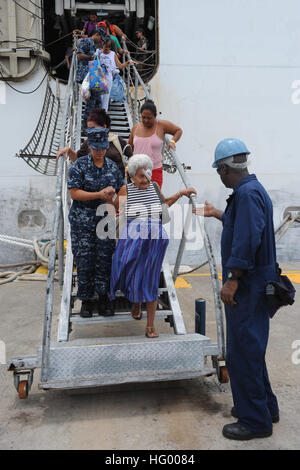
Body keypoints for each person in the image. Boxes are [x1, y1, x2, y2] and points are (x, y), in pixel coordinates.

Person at [193, 138, 279, 441]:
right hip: (257, 282)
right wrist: (218, 213)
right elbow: (243, 225)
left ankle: (255, 421)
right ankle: (265, 407)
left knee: (242, 351)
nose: (220, 176)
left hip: (248, 285)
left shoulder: (246, 194)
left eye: (220, 171)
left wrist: (233, 278)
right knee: (251, 348)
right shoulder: (253, 192)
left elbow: (247, 239)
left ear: (226, 168)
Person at [110, 154, 196, 338]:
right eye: (141, 176)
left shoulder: (154, 187)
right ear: (132, 176)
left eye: (147, 175)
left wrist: (180, 193)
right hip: (133, 240)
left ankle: (150, 325)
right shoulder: (126, 190)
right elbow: (115, 209)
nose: (146, 179)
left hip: (154, 242)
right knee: (129, 274)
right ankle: (135, 301)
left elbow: (164, 205)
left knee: (150, 280)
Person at [67, 126, 124, 318]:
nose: (99, 152)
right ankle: (86, 300)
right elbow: (74, 193)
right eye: (96, 148)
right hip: (83, 222)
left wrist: (115, 204)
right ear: (89, 146)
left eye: (102, 148)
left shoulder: (112, 167)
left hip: (105, 222)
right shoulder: (79, 166)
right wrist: (99, 194)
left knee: (105, 259)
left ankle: (104, 298)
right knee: (84, 260)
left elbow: (122, 188)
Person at [57, 108, 132, 177]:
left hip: (117, 186)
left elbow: (132, 156)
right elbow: (77, 158)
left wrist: (128, 168)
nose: (89, 132)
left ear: (104, 127)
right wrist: (69, 151)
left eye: (92, 128)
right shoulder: (88, 143)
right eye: (88, 129)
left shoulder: (117, 140)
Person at [127, 100, 183, 188]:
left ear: (155, 116)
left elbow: (178, 131)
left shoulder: (161, 125)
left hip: (154, 171)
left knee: (155, 198)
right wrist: (129, 165)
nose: (146, 120)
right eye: (143, 117)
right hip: (136, 171)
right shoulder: (136, 127)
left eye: (149, 118)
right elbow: (129, 147)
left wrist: (172, 142)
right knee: (137, 198)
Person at [95, 38, 135, 112]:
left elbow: (119, 66)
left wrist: (128, 62)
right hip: (99, 77)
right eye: (106, 46)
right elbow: (94, 64)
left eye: (109, 46)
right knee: (99, 97)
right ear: (102, 44)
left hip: (108, 77)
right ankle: (98, 113)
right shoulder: (98, 53)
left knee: (106, 97)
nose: (107, 48)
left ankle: (103, 114)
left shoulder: (113, 54)